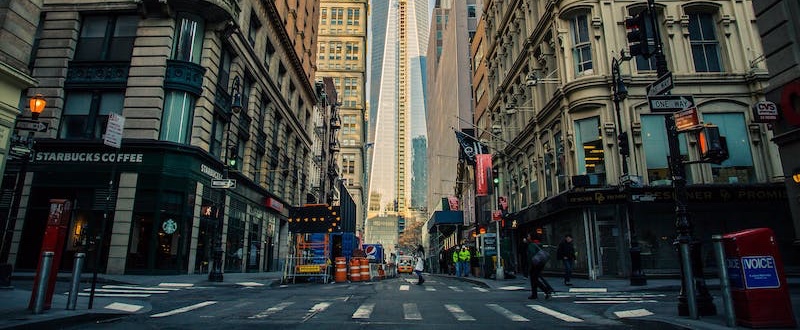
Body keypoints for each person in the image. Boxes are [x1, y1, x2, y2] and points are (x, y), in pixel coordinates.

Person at [526, 232, 553, 300]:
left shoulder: (531, 245)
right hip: (540, 263)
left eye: (528, 236)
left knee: (534, 279)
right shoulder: (536, 243)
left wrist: (530, 265)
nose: (527, 237)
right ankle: (535, 294)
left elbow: (531, 255)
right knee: (534, 279)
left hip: (535, 264)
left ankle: (546, 290)